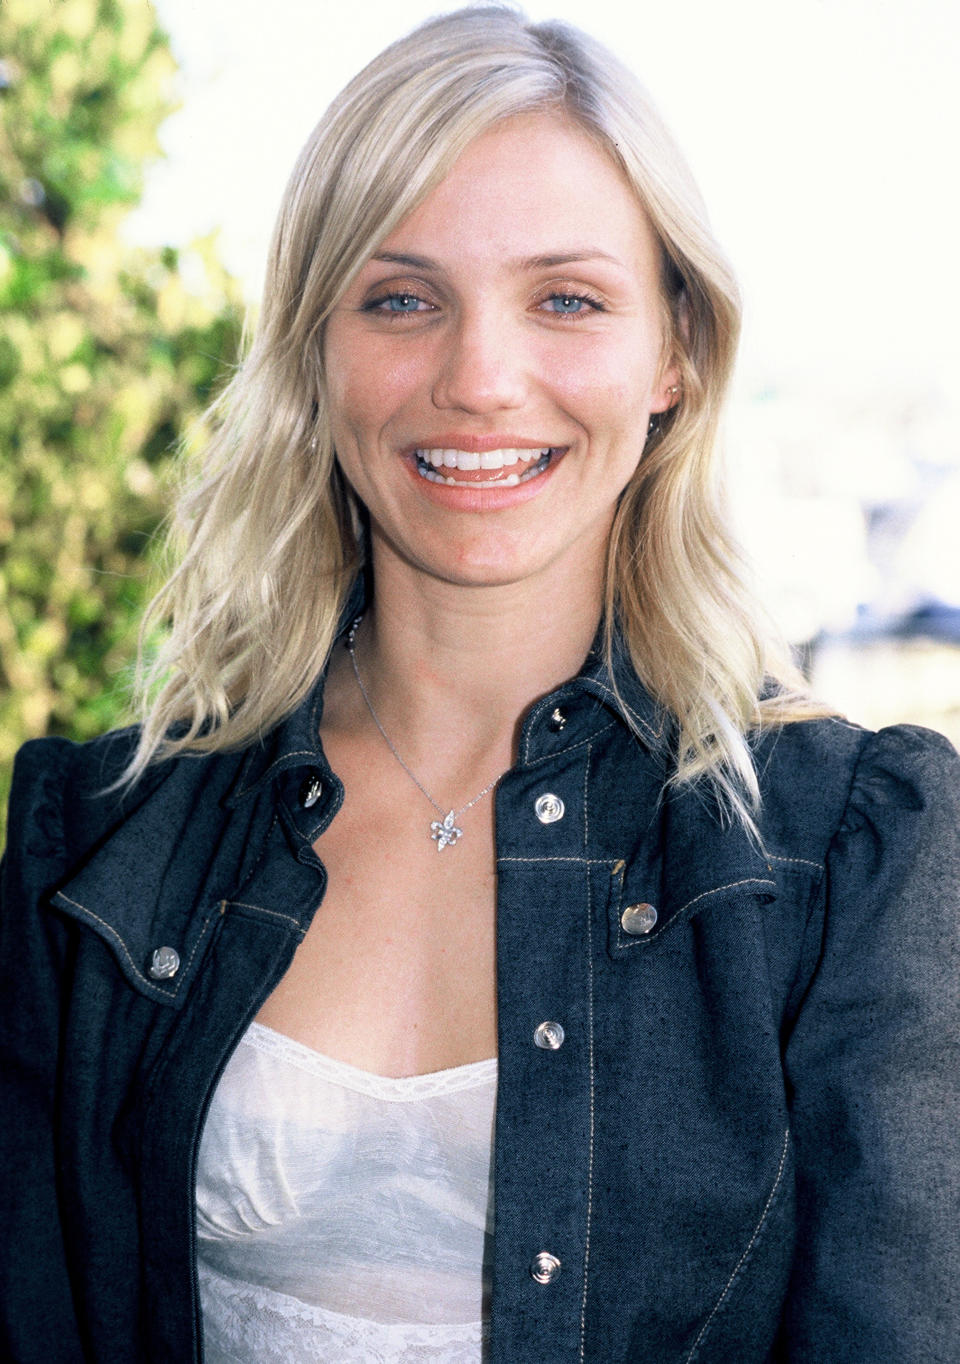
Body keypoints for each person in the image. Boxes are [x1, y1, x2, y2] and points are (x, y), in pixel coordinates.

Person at [2, 5, 958, 1361]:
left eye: (565, 299)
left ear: (675, 352)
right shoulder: (100, 843)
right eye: (402, 299)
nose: (480, 379)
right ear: (317, 352)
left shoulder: (846, 859)